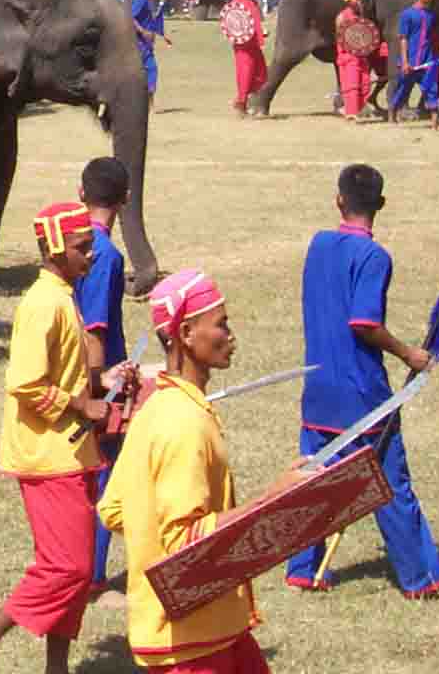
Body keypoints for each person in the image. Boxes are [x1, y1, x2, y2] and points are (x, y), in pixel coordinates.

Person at [98, 271, 302, 672]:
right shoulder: (183, 423)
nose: (231, 335)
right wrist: (271, 500)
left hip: (214, 622)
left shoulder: (156, 407)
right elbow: (182, 540)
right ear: (187, 333)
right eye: (221, 324)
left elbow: (114, 509)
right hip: (191, 643)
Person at [283, 165, 439, 598]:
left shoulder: (320, 244)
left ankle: (302, 570)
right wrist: (409, 354)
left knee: (313, 482)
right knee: (390, 486)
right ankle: (423, 578)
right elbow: (364, 322)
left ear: (339, 200)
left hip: (318, 389)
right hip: (362, 395)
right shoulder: (374, 257)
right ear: (380, 205)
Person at [0, 200, 122, 674]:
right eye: (81, 248)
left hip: (74, 452)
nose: (90, 256)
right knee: (68, 568)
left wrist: (107, 382)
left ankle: (57, 667)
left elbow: (66, 374)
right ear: (55, 249)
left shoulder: (63, 295)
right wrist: (83, 405)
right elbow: (26, 384)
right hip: (47, 456)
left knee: (73, 574)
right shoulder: (42, 304)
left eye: (90, 247)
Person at [74, 158, 130, 603]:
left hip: (85, 376)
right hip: (99, 383)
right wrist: (99, 385)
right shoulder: (105, 255)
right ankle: (92, 575)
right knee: (106, 475)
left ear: (81, 193)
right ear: (125, 200)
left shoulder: (74, 245)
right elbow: (95, 329)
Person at [389, 0, 439, 129]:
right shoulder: (407, 15)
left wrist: (434, 58)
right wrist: (405, 62)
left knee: (432, 88)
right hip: (411, 60)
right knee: (403, 89)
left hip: (428, 60)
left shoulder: (431, 15)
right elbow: (403, 38)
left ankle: (435, 122)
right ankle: (392, 113)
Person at [333, 0, 383, 122]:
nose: (360, 2)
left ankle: (358, 109)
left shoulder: (360, 17)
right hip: (348, 56)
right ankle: (351, 112)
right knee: (352, 85)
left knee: (365, 84)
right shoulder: (342, 17)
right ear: (350, 1)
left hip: (361, 56)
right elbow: (343, 38)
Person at [224, 0, 267, 115]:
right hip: (244, 46)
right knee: (245, 74)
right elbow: (233, 23)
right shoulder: (239, 2)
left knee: (260, 73)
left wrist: (261, 34)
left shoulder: (250, 2)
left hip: (252, 45)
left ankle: (250, 102)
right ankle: (241, 102)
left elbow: (255, 22)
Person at [128, 0, 171, 104]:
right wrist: (143, 31)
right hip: (139, 42)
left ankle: (148, 98)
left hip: (146, 43)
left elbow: (149, 20)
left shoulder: (146, 0)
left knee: (151, 69)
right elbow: (130, 17)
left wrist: (160, 34)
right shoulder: (141, 0)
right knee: (145, 70)